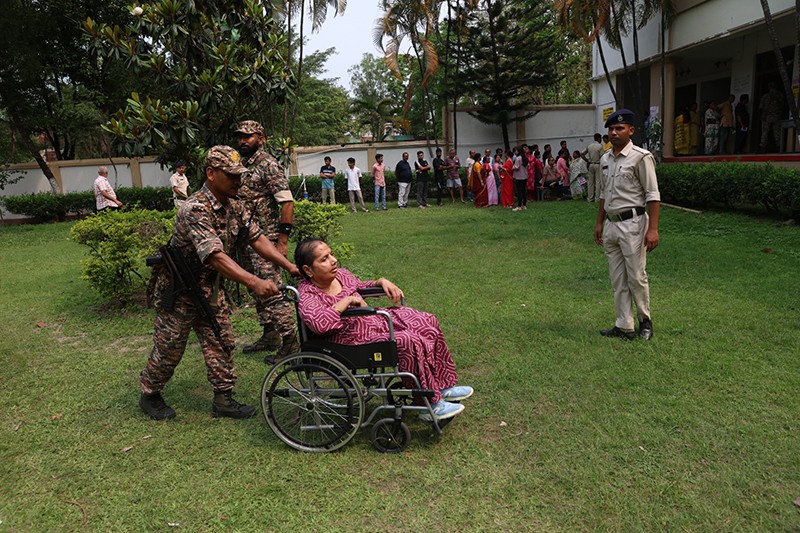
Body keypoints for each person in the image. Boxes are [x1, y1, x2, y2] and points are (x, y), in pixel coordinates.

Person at [139, 145, 300, 420]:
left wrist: (289, 266)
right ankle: (150, 393)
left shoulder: (234, 205)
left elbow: (257, 238)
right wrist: (254, 281)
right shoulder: (195, 208)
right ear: (211, 174)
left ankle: (223, 398)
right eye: (232, 175)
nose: (239, 181)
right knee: (169, 347)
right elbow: (213, 256)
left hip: (210, 288)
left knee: (221, 339)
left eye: (240, 175)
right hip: (180, 290)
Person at [294, 238, 473, 421]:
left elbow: (361, 286)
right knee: (407, 340)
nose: (333, 260)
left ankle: (442, 386)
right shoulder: (308, 295)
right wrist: (345, 302)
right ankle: (428, 404)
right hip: (349, 340)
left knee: (427, 321)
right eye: (324, 259)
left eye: (331, 254)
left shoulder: (341, 275)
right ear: (308, 270)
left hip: (374, 322)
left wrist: (381, 281)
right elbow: (318, 323)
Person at [593, 109, 660, 341]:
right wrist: (599, 222)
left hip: (633, 224)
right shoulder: (605, 158)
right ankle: (624, 325)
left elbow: (652, 195)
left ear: (631, 131)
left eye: (619, 128)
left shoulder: (641, 157)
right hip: (611, 225)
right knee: (617, 279)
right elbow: (603, 193)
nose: (614, 132)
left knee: (636, 276)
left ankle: (645, 321)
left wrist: (653, 229)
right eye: (611, 129)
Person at [235, 120, 298, 360]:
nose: (243, 140)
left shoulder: (268, 165)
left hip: (267, 240)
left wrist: (282, 241)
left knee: (271, 289)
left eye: (248, 136)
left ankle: (290, 340)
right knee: (255, 288)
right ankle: (270, 333)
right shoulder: (240, 165)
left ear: (260, 138)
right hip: (246, 240)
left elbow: (287, 202)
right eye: (240, 136)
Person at [759, 82, 783, 153]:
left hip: (767, 116)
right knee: (777, 133)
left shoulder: (765, 96)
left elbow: (760, 107)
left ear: (769, 87)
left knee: (764, 133)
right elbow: (782, 105)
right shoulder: (780, 95)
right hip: (777, 116)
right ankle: (778, 148)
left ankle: (762, 148)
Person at [582, 133, 604, 202]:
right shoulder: (600, 146)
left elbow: (582, 154)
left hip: (591, 164)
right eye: (600, 138)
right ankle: (597, 198)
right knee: (598, 182)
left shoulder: (589, 146)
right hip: (598, 164)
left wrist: (587, 161)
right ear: (598, 138)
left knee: (590, 182)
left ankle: (590, 198)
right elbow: (602, 156)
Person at [511, 146, 528, 211]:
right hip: (525, 176)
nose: (515, 152)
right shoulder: (525, 158)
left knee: (519, 191)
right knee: (524, 191)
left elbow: (517, 167)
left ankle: (519, 206)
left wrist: (512, 167)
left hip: (519, 177)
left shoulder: (518, 158)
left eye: (516, 151)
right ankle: (524, 205)